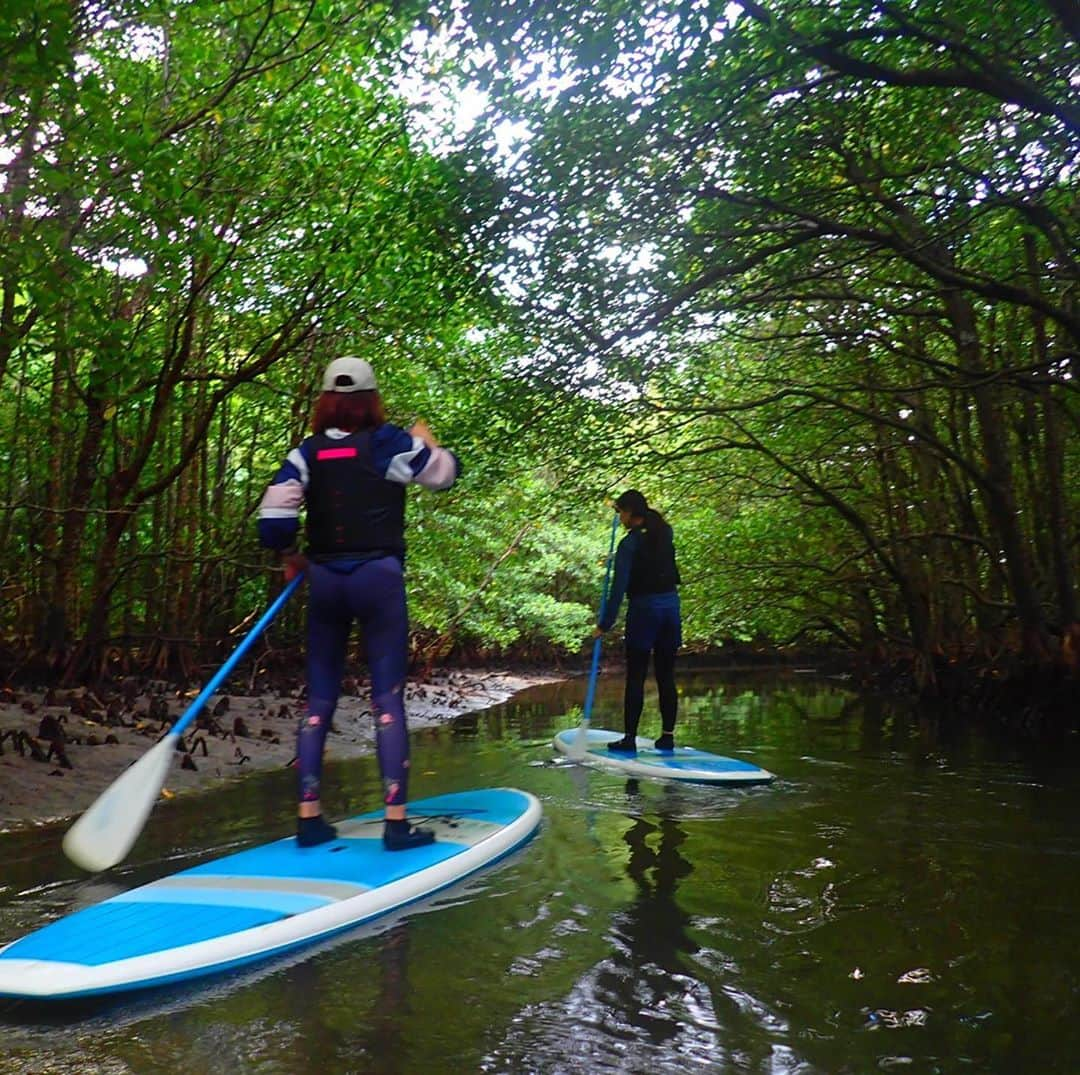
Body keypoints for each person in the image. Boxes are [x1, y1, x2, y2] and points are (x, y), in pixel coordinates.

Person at [258, 356, 459, 849]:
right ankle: (395, 823)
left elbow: (273, 521)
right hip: (378, 578)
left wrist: (290, 555)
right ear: (371, 399)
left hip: (326, 579)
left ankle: (309, 818)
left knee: (319, 698)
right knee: (387, 698)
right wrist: (429, 444)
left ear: (325, 401)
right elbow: (445, 475)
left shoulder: (304, 454)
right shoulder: (391, 442)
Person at [595, 490, 682, 753]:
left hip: (645, 611)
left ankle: (629, 739)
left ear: (631, 513)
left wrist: (604, 624)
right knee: (666, 675)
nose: (619, 517)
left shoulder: (628, 544)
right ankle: (667, 737)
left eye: (621, 511)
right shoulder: (664, 532)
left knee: (636, 677)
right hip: (670, 608)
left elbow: (618, 588)